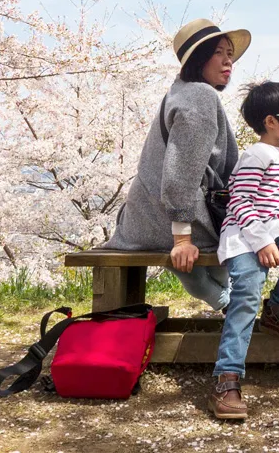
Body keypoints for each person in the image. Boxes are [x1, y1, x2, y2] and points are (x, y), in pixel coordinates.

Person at [105, 19, 250, 311]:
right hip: (170, 223)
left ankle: (232, 303)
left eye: (230, 53)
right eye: (219, 52)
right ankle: (235, 306)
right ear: (198, 58)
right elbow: (180, 174)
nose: (228, 61)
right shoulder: (199, 96)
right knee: (254, 241)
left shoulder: (179, 91)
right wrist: (182, 239)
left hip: (142, 219)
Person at [208, 80, 279, 421]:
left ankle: (276, 310)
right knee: (245, 291)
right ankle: (227, 379)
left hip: (277, 231)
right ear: (271, 121)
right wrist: (262, 242)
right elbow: (240, 202)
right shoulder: (255, 154)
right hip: (244, 235)